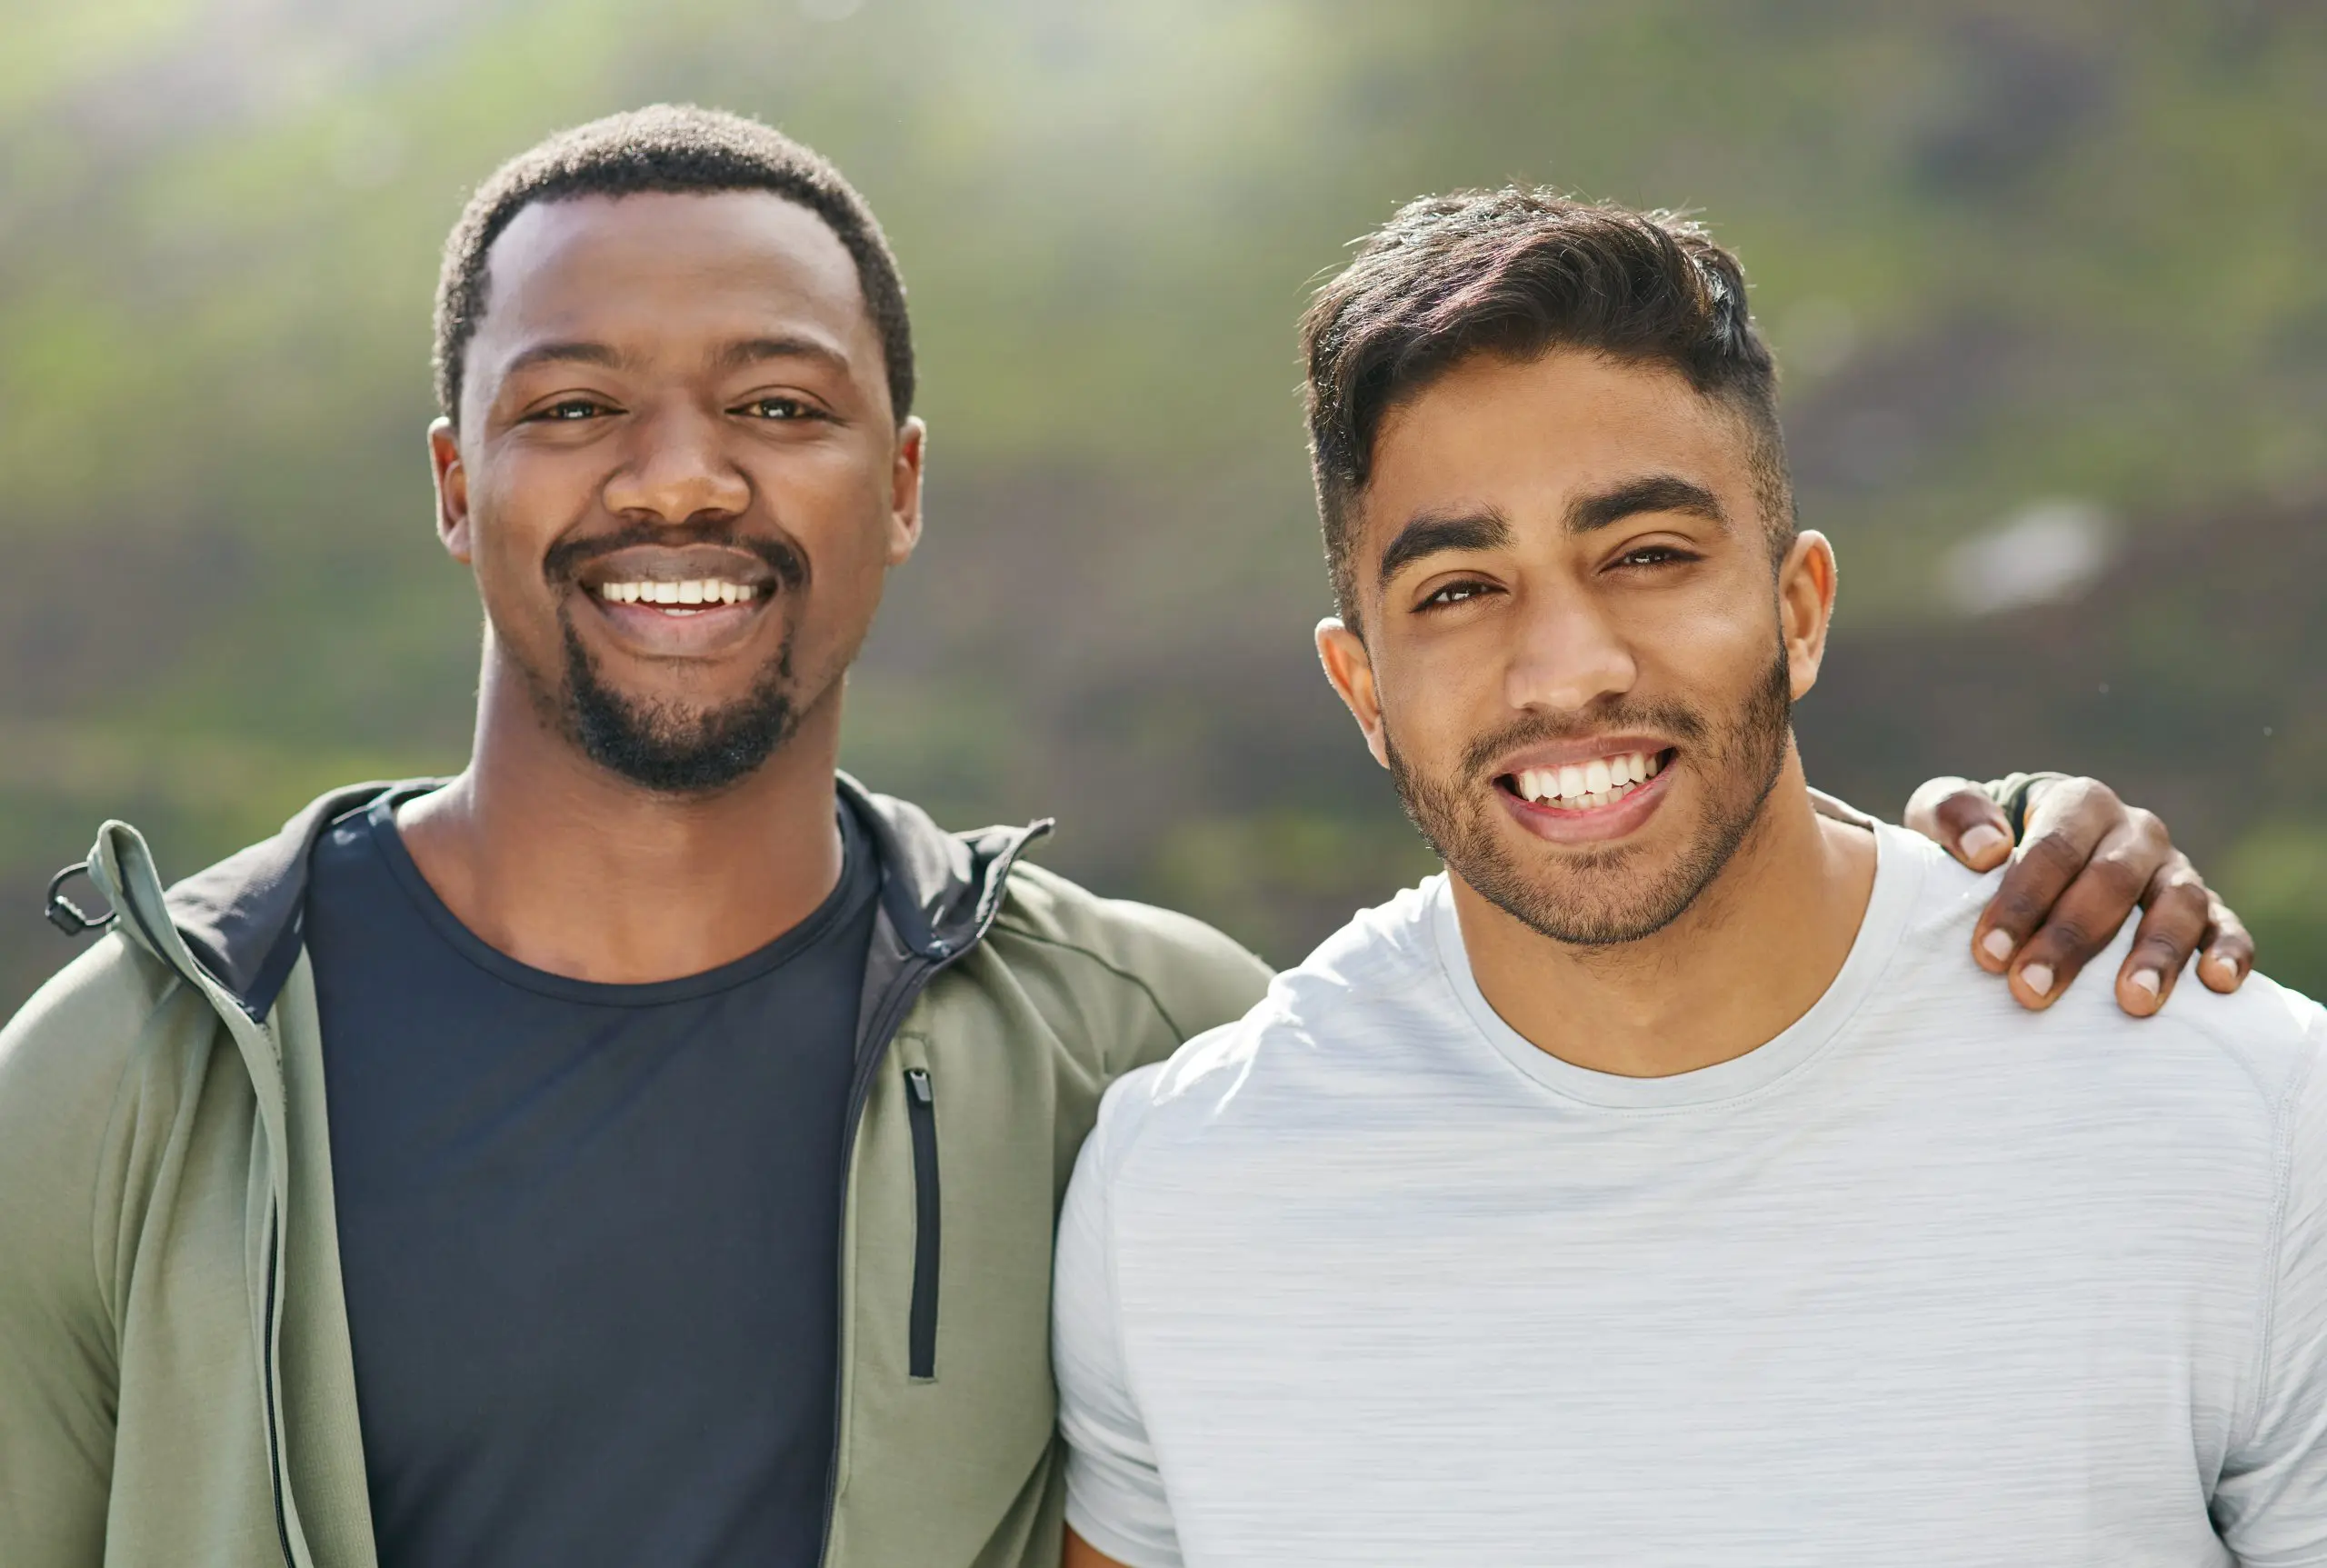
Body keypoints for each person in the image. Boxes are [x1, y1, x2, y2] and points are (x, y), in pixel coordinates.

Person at [0, 110, 2251, 1568]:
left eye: (779, 406)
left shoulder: (1138, 1048)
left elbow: (1611, 918)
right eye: (570, 408)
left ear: (897, 483)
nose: (677, 479)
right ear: (448, 481)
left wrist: (1992, 867)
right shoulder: (131, 1086)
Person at [1053, 186, 2326, 1568]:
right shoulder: (1181, 1195)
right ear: (1362, 688)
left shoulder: (2243, 1120)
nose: (1571, 666)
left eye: (1649, 556)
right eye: (1460, 589)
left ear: (1799, 611)